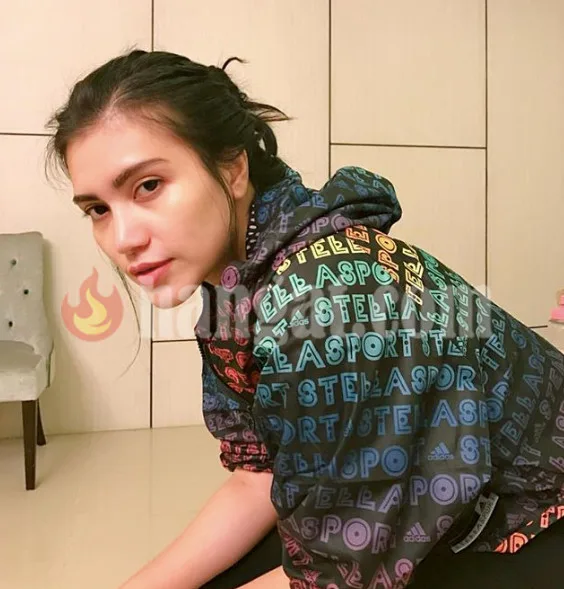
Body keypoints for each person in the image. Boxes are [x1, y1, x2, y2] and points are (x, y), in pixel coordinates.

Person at [45, 49, 564, 589]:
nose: (124, 239)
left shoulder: (326, 299)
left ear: (233, 168)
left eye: (148, 186)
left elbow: (338, 575)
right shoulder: (238, 281)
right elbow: (259, 475)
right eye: (98, 209)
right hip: (436, 508)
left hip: (532, 519)